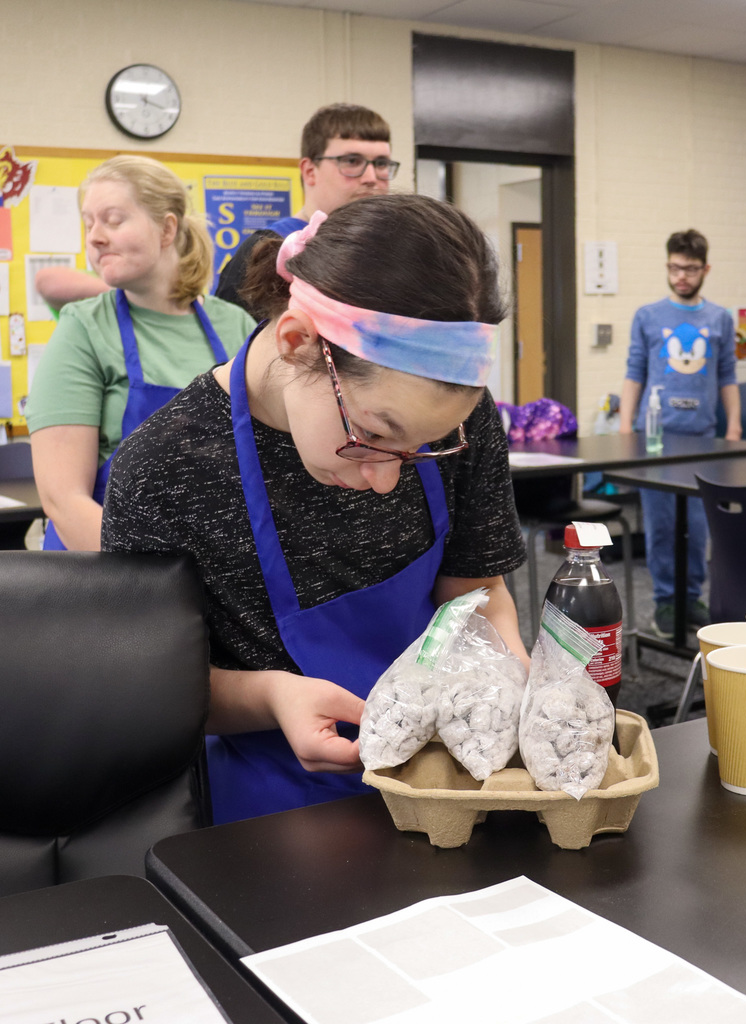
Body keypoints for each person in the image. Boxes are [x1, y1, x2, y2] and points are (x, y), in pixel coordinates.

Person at [102, 194, 528, 824]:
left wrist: (511, 691)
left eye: (424, 448)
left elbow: (476, 592)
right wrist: (270, 696)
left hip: (448, 790)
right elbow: (144, 689)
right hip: (269, 815)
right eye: (376, 434)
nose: (387, 479)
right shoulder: (165, 468)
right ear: (298, 342)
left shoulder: (454, 422)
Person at [25, 155, 256, 551]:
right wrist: (163, 584)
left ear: (167, 228)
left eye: (112, 220)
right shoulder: (85, 328)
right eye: (88, 224)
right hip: (110, 578)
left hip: (219, 567)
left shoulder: (235, 326)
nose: (95, 237)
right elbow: (64, 501)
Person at [619, 228, 741, 639]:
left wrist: (735, 428)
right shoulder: (649, 317)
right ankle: (667, 602)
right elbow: (635, 372)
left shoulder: (720, 318)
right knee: (661, 524)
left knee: (700, 526)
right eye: (674, 267)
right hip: (656, 440)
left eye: (689, 269)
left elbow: (727, 376)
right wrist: (624, 427)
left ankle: (693, 597)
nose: (681, 276)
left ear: (705, 269)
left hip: (704, 438)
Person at [214, 102, 395, 311]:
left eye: (381, 163)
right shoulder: (267, 250)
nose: (371, 178)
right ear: (309, 171)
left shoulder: (390, 253)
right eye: (352, 161)